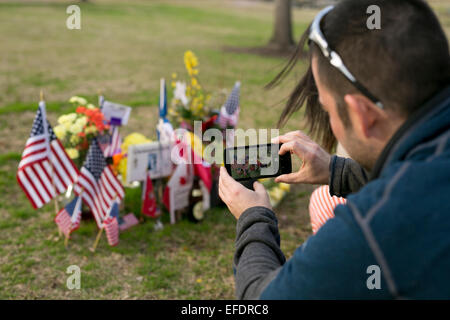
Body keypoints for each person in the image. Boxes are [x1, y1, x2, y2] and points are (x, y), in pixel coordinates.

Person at [218, 0, 450, 299]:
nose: (328, 120)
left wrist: (254, 215)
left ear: (362, 115)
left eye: (327, 109)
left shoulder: (375, 230)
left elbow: (260, 300)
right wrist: (335, 170)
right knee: (323, 199)